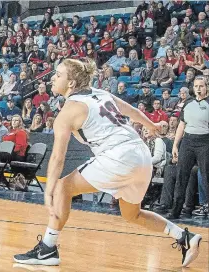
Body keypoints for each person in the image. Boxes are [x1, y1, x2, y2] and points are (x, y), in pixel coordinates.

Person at [13, 58, 202, 267]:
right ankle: (184, 237)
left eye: (58, 74)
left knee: (62, 187)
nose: (52, 78)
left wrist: (50, 188)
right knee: (132, 214)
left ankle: (48, 249)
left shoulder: (69, 111)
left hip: (119, 156)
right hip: (141, 155)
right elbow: (132, 111)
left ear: (72, 83)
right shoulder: (101, 93)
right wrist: (152, 125)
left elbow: (58, 156)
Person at [168, 76, 209, 218]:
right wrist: (175, 145)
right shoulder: (188, 103)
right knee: (181, 176)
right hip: (188, 142)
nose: (198, 88)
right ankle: (176, 210)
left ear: (206, 87)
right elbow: (181, 125)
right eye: (196, 86)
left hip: (205, 142)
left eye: (201, 86)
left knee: (206, 177)